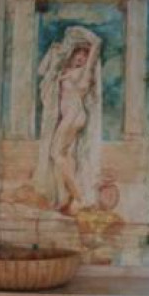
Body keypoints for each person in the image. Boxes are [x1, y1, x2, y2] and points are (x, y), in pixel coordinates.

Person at [33, 26, 102, 215]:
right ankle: (66, 197)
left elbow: (97, 43)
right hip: (70, 116)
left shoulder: (84, 72)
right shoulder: (65, 70)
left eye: (85, 56)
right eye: (78, 54)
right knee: (65, 155)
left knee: (56, 153)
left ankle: (80, 198)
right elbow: (41, 71)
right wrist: (52, 51)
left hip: (74, 115)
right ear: (72, 54)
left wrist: (83, 36)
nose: (81, 58)